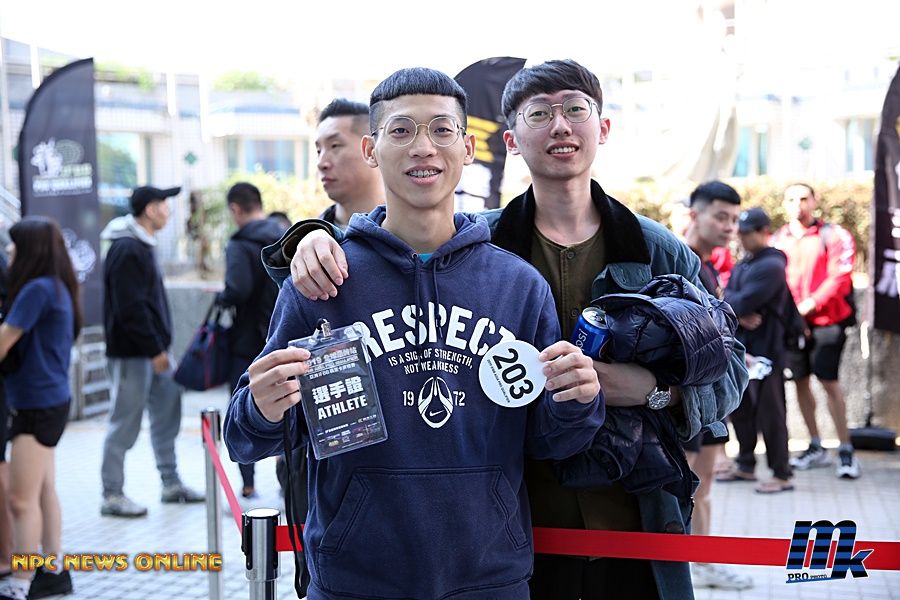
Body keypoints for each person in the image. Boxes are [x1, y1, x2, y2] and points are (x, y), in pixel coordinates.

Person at [274, 59, 748, 600]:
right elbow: (395, 251)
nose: (560, 126)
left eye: (576, 110)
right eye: (538, 114)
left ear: (603, 127)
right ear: (510, 140)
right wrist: (312, 236)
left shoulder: (654, 249)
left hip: (633, 521)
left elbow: (730, 368)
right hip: (514, 537)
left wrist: (651, 390)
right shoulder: (482, 244)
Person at [224, 67, 604, 600]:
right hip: (355, 581)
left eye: (442, 130)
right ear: (372, 149)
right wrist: (261, 407)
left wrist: (577, 401)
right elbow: (245, 439)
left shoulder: (518, 286)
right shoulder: (321, 282)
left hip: (490, 580)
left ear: (468, 147)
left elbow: (551, 442)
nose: (423, 147)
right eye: (401, 130)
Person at [100, 185, 204, 518]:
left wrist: (159, 349)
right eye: (163, 205)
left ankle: (171, 483)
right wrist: (154, 349)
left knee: (167, 415)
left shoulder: (142, 245)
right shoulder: (127, 248)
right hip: (135, 353)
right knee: (124, 422)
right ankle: (112, 494)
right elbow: (130, 308)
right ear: (149, 210)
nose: (168, 211)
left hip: (154, 351)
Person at [0, 217, 80, 600]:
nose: (8, 250)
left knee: (21, 501)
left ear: (30, 249)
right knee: (44, 489)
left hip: (35, 405)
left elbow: (3, 343)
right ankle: (54, 571)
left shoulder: (36, 290)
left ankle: (21, 583)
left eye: (14, 244)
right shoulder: (56, 285)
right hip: (50, 401)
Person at [679, 181, 751, 591]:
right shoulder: (676, 261)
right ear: (694, 214)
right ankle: (683, 565)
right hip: (684, 399)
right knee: (684, 490)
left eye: (735, 219)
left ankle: (702, 562)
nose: (729, 227)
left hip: (712, 400)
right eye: (721, 217)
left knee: (703, 486)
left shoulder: (707, 267)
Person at [773, 183, 860, 479]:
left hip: (827, 322)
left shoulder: (834, 235)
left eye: (803, 198)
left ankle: (845, 449)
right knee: (799, 381)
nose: (798, 204)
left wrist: (809, 305)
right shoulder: (778, 239)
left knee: (829, 382)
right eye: (791, 199)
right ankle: (815, 445)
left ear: (814, 201)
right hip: (792, 324)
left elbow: (840, 276)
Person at [216, 182, 287, 501]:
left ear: (235, 209)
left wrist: (222, 297)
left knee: (245, 406)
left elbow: (238, 289)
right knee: (287, 404)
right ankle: (286, 478)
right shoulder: (285, 235)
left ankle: (248, 484)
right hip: (284, 336)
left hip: (247, 343)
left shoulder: (239, 243)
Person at [722, 207, 794, 494]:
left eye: (748, 233)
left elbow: (740, 300)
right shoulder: (745, 264)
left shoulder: (772, 265)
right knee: (741, 409)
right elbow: (726, 298)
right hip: (744, 348)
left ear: (764, 232)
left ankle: (782, 473)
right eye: (740, 232)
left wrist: (734, 306)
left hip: (769, 350)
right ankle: (746, 464)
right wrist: (737, 314)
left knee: (771, 412)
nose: (742, 238)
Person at [314, 97, 384, 228]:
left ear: (370, 149)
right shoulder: (306, 236)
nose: (321, 163)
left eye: (334, 146)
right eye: (319, 151)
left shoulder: (411, 233)